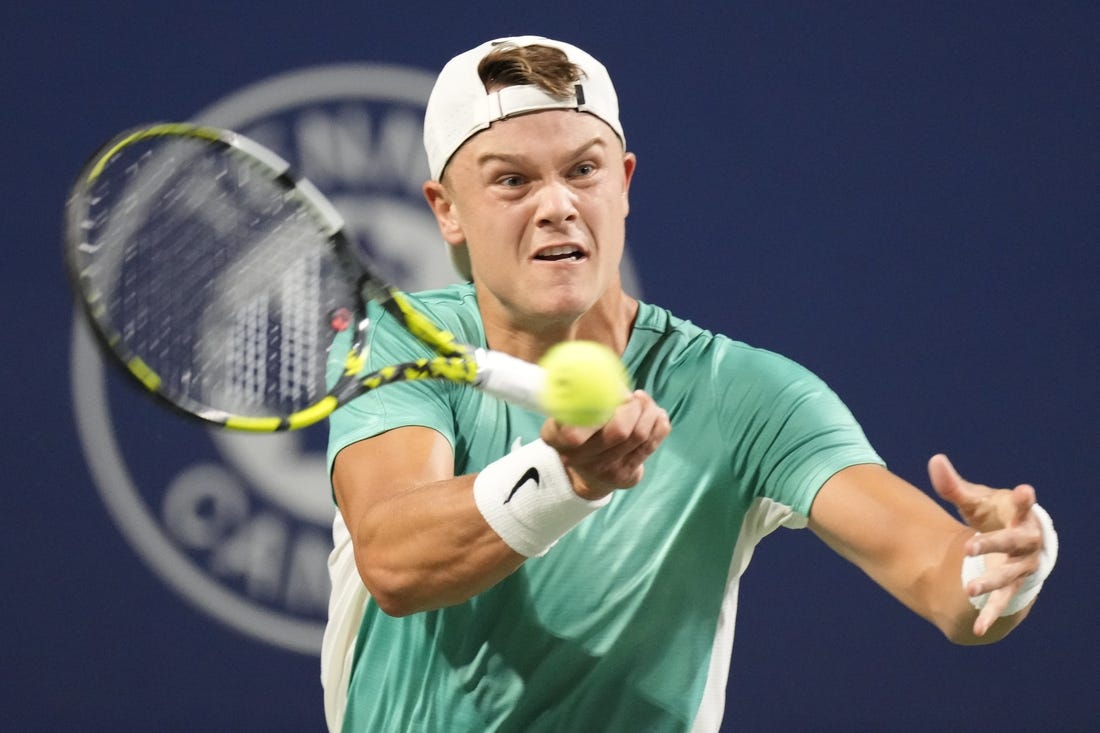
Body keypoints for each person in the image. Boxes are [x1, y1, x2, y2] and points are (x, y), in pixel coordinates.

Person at [321, 35, 1058, 732]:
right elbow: (394, 558)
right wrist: (564, 478)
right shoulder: (404, 342)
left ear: (624, 182)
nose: (557, 205)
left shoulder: (750, 395)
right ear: (445, 210)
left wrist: (1006, 567)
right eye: (512, 180)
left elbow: (942, 577)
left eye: (583, 170)